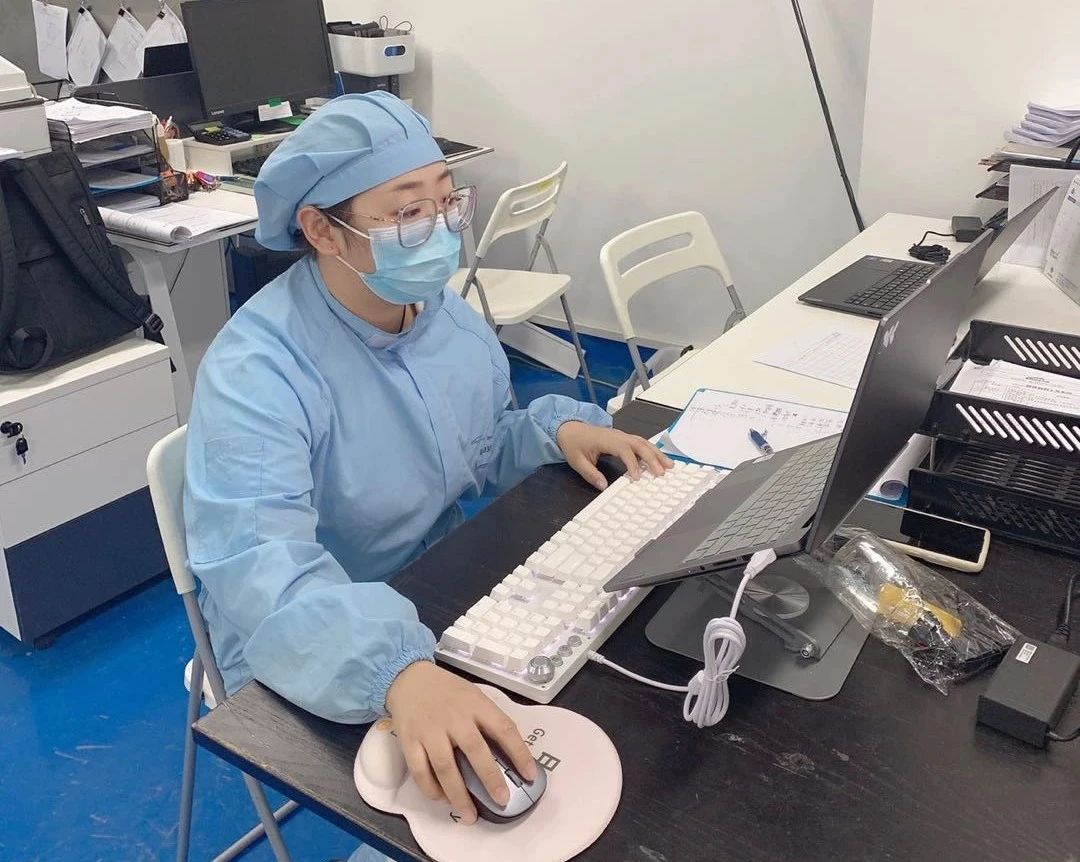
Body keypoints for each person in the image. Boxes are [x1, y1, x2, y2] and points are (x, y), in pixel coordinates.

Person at [183, 92, 670, 859]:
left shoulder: (439, 315)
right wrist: (397, 674)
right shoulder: (259, 371)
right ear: (321, 230)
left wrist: (553, 431)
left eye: (448, 201)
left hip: (437, 587)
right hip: (312, 635)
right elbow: (258, 568)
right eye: (409, 212)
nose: (442, 230)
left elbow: (475, 443)